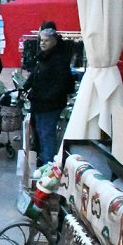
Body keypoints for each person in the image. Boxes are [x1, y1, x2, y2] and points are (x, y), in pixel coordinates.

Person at [23, 27, 75, 165]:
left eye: (46, 40)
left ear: (54, 41)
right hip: (40, 103)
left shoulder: (58, 59)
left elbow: (61, 83)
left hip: (50, 104)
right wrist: (26, 86)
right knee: (41, 131)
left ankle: (49, 163)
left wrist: (47, 97)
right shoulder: (43, 57)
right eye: (41, 40)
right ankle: (45, 158)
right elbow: (35, 74)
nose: (42, 43)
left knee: (47, 133)